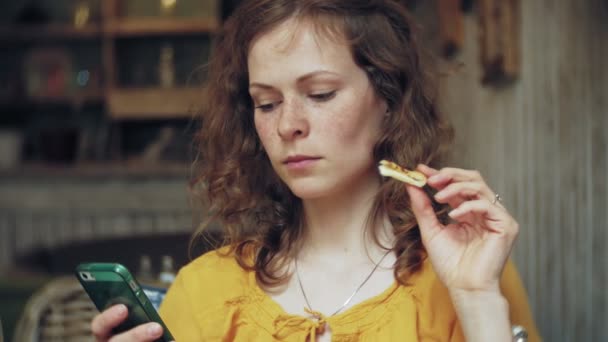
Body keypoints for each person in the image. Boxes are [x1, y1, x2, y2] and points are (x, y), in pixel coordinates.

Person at [91, 0, 541, 341]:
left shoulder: (470, 272)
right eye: (266, 103)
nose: (288, 125)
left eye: (321, 94)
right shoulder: (204, 293)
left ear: (389, 101)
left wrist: (478, 301)